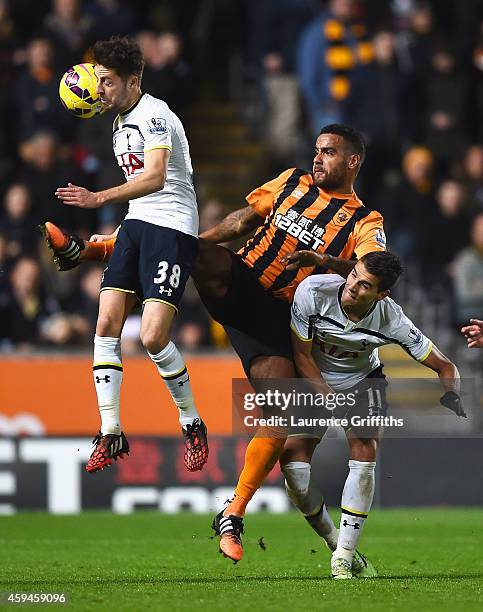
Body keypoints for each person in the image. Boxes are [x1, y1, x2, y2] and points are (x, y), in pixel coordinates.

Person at [42, 123, 386, 553]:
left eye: (329, 152)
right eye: (316, 149)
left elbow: (372, 272)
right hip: (238, 280)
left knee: (278, 420)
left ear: (352, 161)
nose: (317, 157)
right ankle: (95, 251)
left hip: (278, 320)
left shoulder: (365, 220)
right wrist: (188, 246)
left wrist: (326, 260)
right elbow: (243, 219)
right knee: (183, 240)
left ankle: (233, 514)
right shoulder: (291, 181)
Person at [52, 36, 208, 474]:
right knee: (105, 323)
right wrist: (116, 233)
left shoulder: (155, 114)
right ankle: (111, 429)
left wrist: (98, 197)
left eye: (106, 82)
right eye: (97, 81)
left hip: (173, 226)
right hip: (139, 222)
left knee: (154, 337)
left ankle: (191, 421)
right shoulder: (119, 122)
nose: (98, 90)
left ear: (132, 81)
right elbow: (142, 193)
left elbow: (157, 177)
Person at [285, 250, 465, 578]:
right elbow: (301, 354)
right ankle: (334, 539)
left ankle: (343, 557)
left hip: (363, 382)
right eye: (352, 274)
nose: (352, 286)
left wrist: (452, 391)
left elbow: (444, 364)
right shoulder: (312, 292)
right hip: (316, 379)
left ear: (382, 294)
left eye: (364, 284)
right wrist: (326, 397)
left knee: (364, 449)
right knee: (293, 469)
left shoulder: (392, 319)